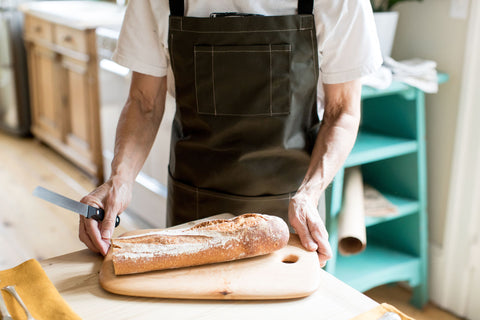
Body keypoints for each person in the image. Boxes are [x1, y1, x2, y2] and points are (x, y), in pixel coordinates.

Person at [79, 0, 382, 267]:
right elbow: (144, 102)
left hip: (293, 209)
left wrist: (310, 193)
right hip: (194, 205)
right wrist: (120, 179)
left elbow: (341, 111)